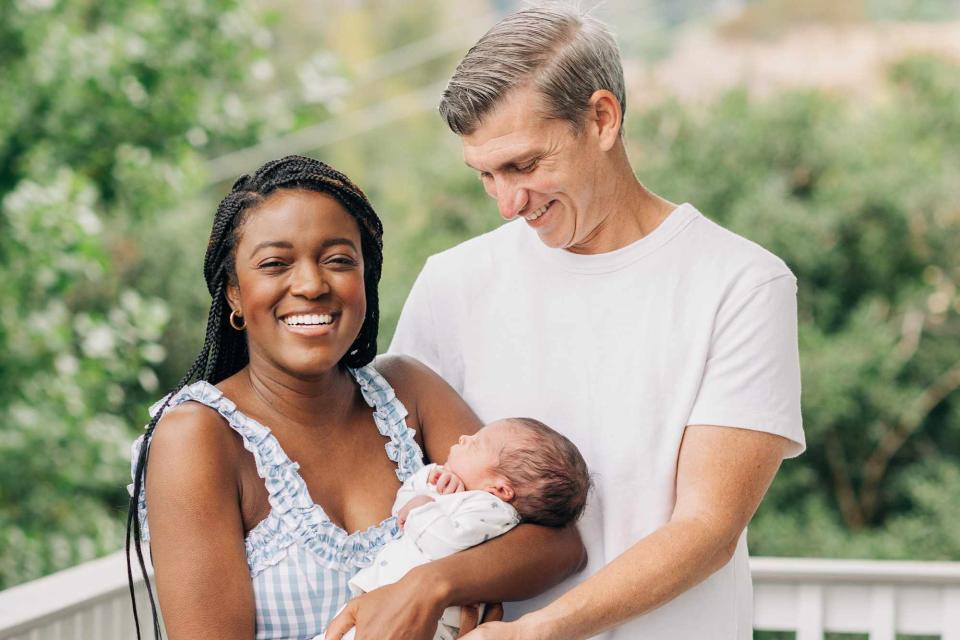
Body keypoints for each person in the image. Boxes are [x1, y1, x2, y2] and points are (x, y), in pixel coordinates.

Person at [388, 5, 806, 640]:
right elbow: (401, 482)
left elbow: (708, 527)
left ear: (602, 119)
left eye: (525, 165)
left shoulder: (742, 283)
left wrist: (541, 631)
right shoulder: (452, 282)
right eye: (486, 176)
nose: (507, 203)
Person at [125, 156, 585, 640]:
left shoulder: (407, 391)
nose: (311, 285)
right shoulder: (197, 437)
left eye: (339, 259)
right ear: (235, 295)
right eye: (275, 264)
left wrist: (428, 588)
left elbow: (558, 544)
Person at [336, 417, 590, 640]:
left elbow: (437, 540)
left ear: (500, 490)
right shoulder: (462, 495)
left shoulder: (492, 510)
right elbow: (402, 510)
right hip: (384, 603)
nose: (464, 438)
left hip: (427, 622)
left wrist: (425, 505)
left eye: (476, 443)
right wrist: (428, 483)